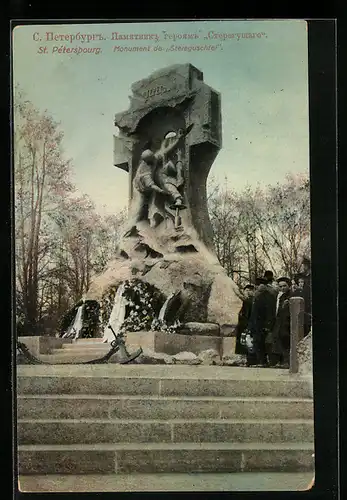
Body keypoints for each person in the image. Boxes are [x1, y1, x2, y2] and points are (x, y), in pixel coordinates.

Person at [248, 275, 277, 366]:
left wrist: (268, 325)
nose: (257, 287)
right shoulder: (256, 295)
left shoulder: (269, 296)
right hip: (256, 324)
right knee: (257, 342)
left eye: (260, 285)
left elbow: (270, 312)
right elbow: (253, 313)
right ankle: (261, 361)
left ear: (264, 285)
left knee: (262, 343)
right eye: (257, 285)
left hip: (263, 325)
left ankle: (264, 361)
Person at [267, 277, 292, 367]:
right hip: (280, 323)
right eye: (280, 286)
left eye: (284, 286)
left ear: (289, 286)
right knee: (279, 341)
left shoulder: (291, 295)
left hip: (287, 323)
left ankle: (287, 361)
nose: (282, 288)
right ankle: (282, 361)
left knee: (286, 342)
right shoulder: (281, 296)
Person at [235, 285, 255, 357]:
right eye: (246, 290)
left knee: (247, 342)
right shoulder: (243, 301)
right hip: (242, 323)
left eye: (250, 290)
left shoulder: (250, 301)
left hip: (246, 323)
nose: (248, 292)